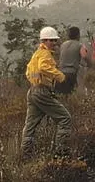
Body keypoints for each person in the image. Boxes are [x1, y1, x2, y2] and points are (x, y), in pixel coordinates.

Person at [20, 26, 72, 160]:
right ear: (44, 41)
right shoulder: (44, 54)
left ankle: (26, 156)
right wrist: (60, 76)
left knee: (30, 125)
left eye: (55, 40)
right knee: (64, 118)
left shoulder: (36, 54)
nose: (54, 43)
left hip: (33, 91)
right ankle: (61, 154)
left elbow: (28, 72)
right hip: (42, 91)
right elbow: (44, 67)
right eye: (51, 40)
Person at [55, 26, 92, 95]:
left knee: (61, 95)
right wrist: (90, 65)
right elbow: (84, 56)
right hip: (71, 74)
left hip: (59, 73)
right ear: (78, 35)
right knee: (70, 95)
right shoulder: (79, 45)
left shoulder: (63, 44)